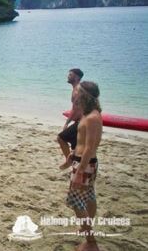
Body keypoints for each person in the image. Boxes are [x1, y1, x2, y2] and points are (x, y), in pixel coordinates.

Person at [65, 81, 102, 251]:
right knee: (88, 197)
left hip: (85, 165)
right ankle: (86, 229)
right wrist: (73, 154)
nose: (76, 94)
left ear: (85, 96)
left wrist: (79, 171)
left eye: (78, 92)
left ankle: (91, 242)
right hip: (83, 162)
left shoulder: (93, 117)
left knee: (76, 202)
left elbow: (90, 147)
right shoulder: (88, 114)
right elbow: (82, 143)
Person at [57, 68, 84, 169]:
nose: (68, 76)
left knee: (61, 138)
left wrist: (68, 123)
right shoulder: (77, 88)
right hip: (81, 122)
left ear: (77, 77)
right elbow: (74, 108)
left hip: (82, 122)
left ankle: (69, 161)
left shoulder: (78, 90)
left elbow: (77, 109)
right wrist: (67, 122)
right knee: (76, 147)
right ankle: (74, 165)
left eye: (70, 75)